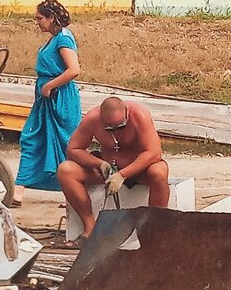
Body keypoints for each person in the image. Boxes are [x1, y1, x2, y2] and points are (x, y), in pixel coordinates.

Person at [57, 96, 169, 241]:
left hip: (140, 169)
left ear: (126, 113)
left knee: (159, 172)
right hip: (109, 169)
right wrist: (99, 164)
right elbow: (73, 149)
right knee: (65, 170)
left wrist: (123, 174)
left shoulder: (139, 115)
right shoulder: (92, 118)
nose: (116, 132)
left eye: (121, 127)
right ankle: (90, 226)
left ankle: (156, 227)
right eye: (110, 129)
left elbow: (154, 152)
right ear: (101, 119)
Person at [12, 0, 81, 205]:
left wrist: (50, 86)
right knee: (32, 139)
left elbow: (74, 70)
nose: (38, 23)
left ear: (52, 18)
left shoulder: (64, 40)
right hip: (45, 102)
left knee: (66, 145)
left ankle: (73, 191)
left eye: (40, 18)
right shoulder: (53, 38)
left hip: (60, 100)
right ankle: (18, 190)